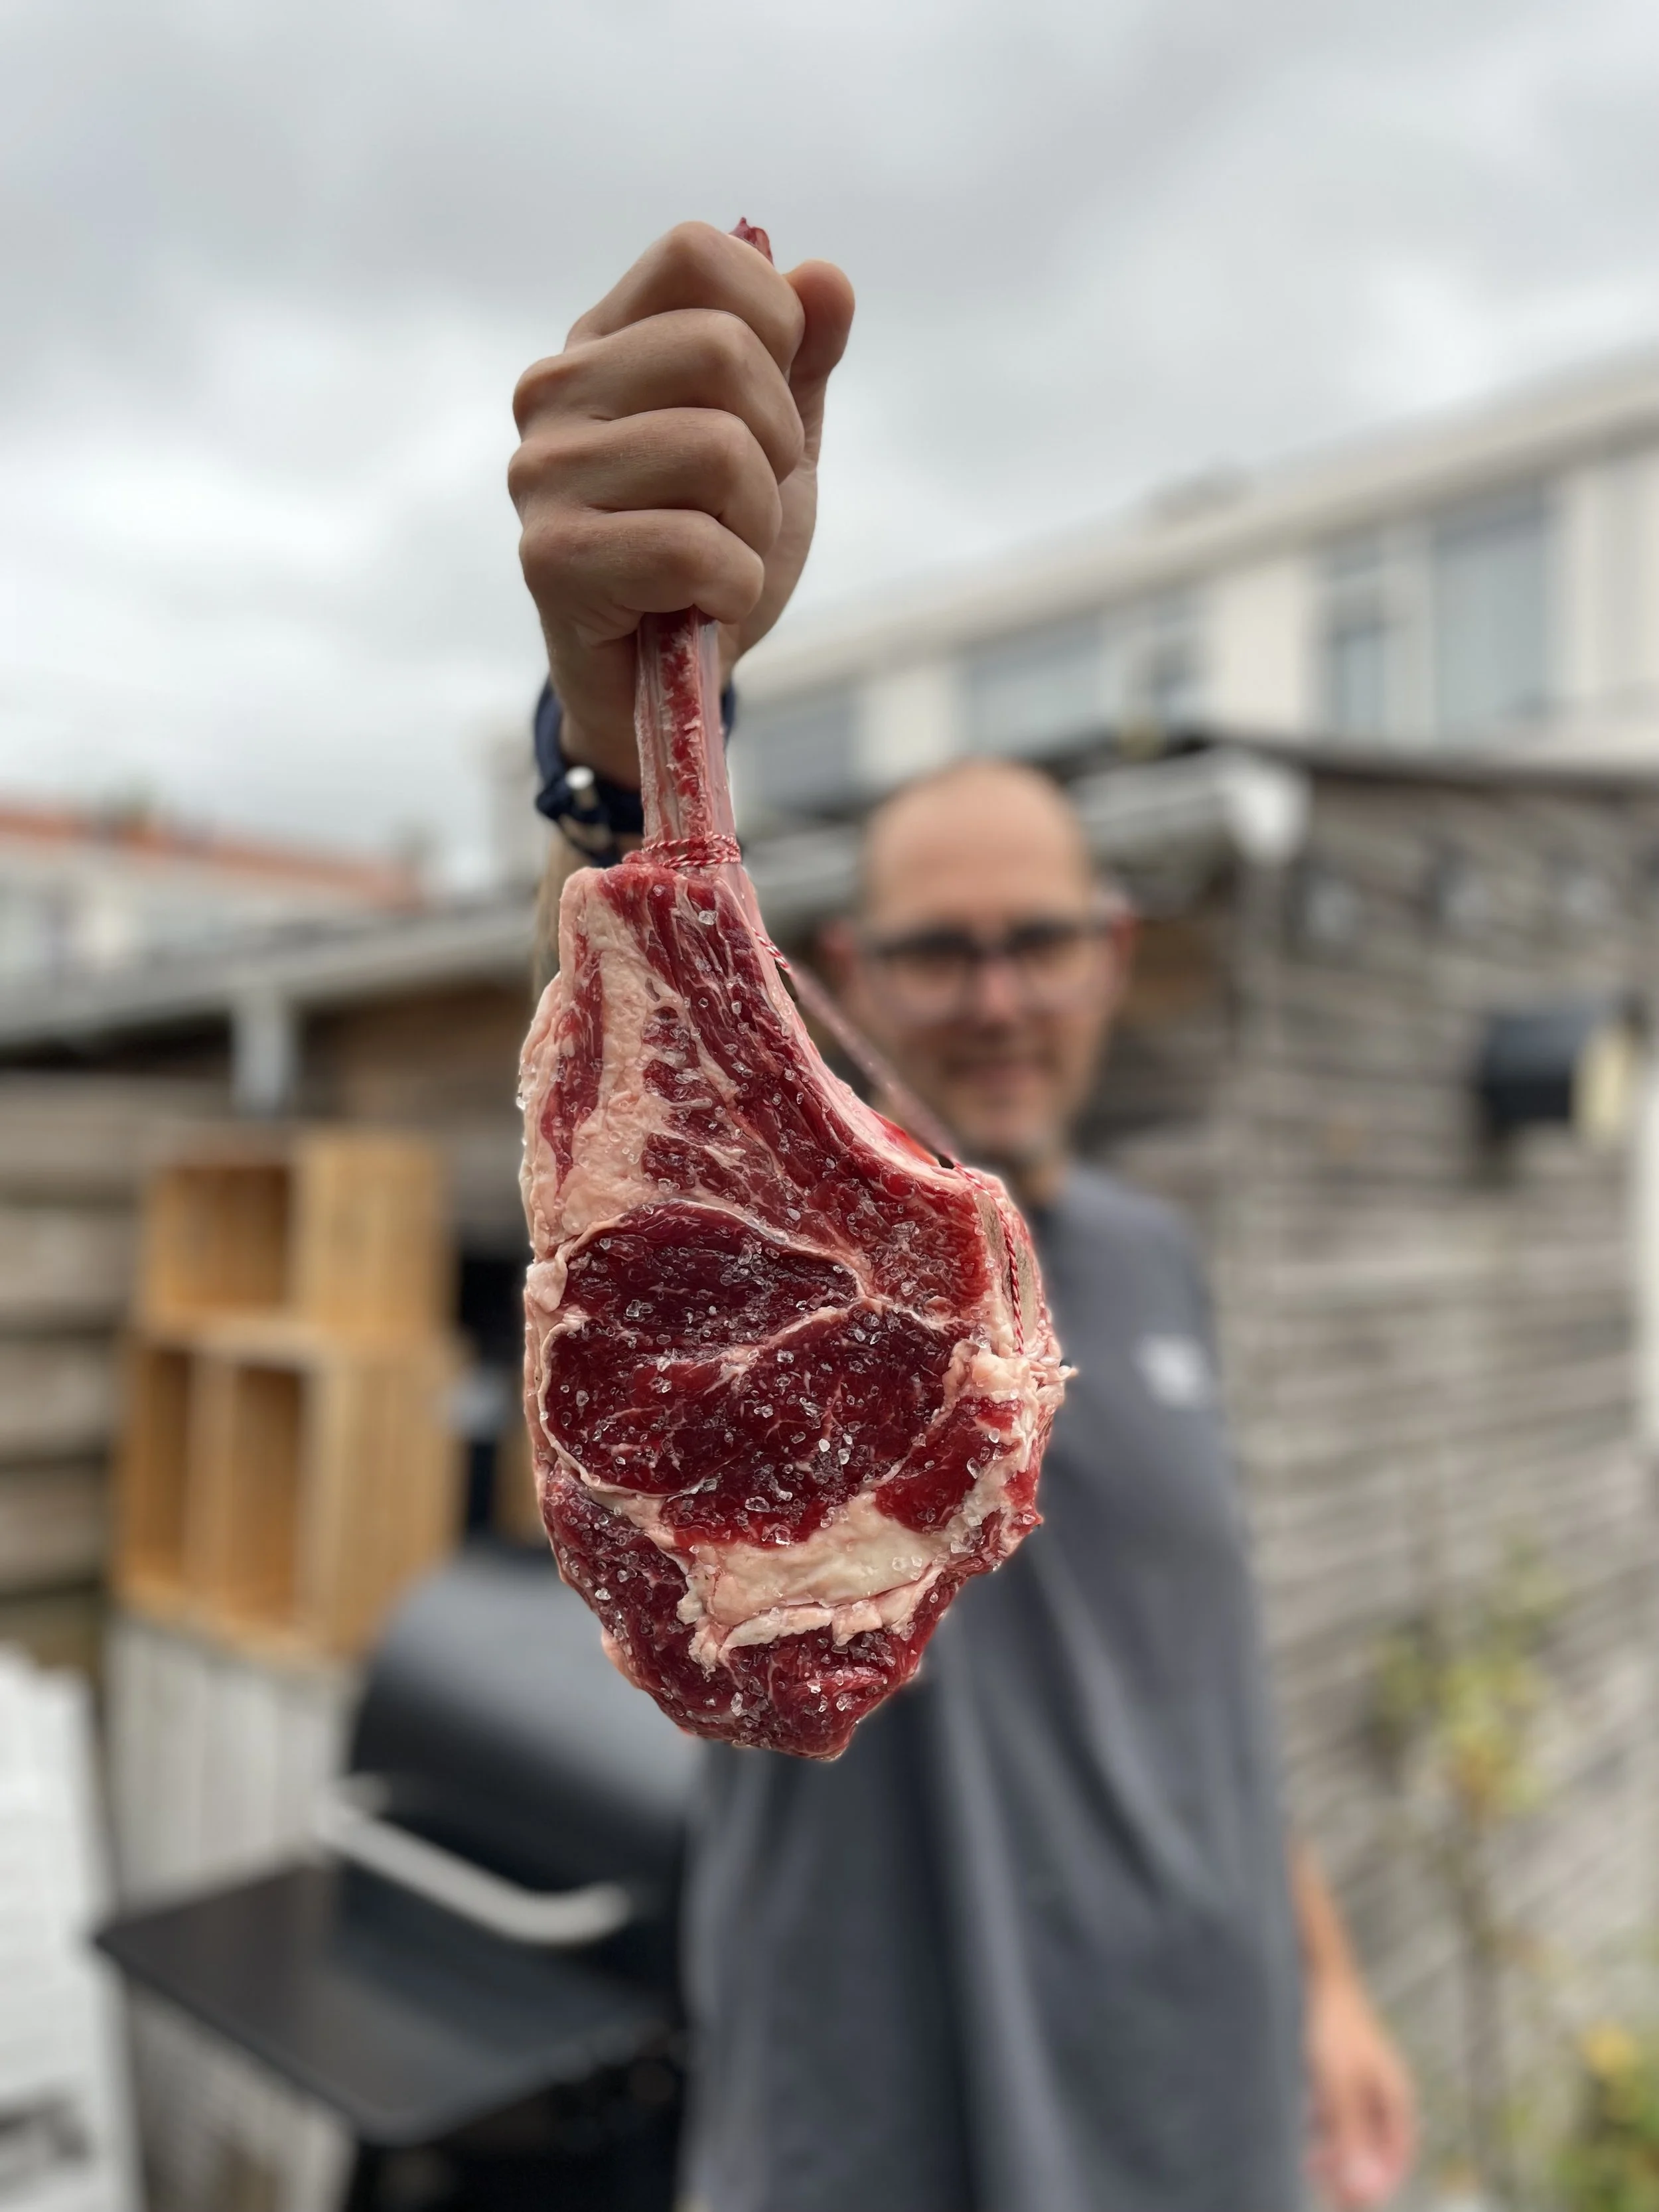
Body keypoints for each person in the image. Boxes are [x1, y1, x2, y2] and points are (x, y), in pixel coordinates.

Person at [510, 220, 1417, 2212]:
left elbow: (1211, 1682)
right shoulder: (824, 1273)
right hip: (875, 2141)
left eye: (1037, 943)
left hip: (1198, 2114)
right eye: (939, 950)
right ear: (860, 964)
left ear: (1108, 959)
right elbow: (669, 1181)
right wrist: (628, 735)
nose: (992, 993)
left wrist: (1330, 1989)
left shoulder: (1161, 1269)